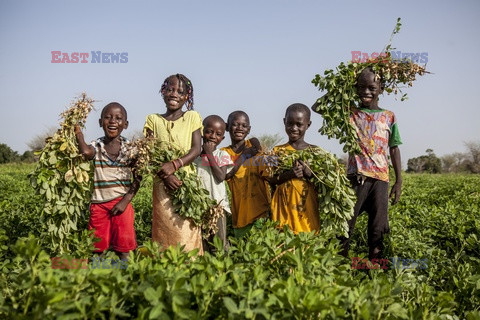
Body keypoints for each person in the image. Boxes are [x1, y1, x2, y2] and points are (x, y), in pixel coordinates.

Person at [312, 66, 402, 260]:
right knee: (345, 228)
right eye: (360, 87)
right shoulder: (350, 113)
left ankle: (375, 271)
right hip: (356, 179)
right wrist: (341, 85)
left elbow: (394, 148)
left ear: (381, 88)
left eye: (371, 87)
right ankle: (340, 268)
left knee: (378, 230)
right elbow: (317, 107)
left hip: (381, 180)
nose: (366, 92)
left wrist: (399, 182)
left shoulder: (389, 116)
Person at [143, 73, 204, 254]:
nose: (174, 94)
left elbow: (196, 149)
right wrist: (167, 175)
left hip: (185, 184)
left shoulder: (192, 117)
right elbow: (150, 153)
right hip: (162, 185)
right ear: (163, 92)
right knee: (163, 234)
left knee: (187, 234)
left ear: (187, 97)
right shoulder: (153, 120)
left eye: (180, 91)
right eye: (169, 89)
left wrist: (175, 164)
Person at [74, 102, 140, 260]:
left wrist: (125, 201)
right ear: (100, 122)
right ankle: (99, 278)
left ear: (125, 124)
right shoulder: (96, 146)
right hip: (98, 204)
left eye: (118, 118)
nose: (112, 121)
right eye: (107, 117)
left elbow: (138, 177)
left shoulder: (130, 149)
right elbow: (85, 152)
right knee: (97, 248)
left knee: (124, 248)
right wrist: (78, 133)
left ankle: (126, 279)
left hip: (122, 203)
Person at [268, 103, 321, 233]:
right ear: (284, 122)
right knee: (284, 242)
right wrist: (289, 174)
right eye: (290, 123)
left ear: (308, 124)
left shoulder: (316, 152)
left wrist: (309, 174)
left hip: (307, 208)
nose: (294, 128)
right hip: (284, 207)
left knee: (307, 243)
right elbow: (270, 179)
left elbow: (324, 184)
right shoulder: (277, 151)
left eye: (299, 124)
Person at [221, 111, 271, 238]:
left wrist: (253, 146)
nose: (239, 128)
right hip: (240, 217)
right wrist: (244, 156)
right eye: (235, 124)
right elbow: (227, 175)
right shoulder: (223, 153)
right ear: (227, 127)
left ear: (249, 130)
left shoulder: (255, 148)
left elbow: (268, 169)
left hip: (260, 214)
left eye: (244, 126)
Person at [194, 115, 234, 252]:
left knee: (219, 245)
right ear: (201, 132)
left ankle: (224, 270)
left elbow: (220, 177)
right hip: (200, 209)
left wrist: (209, 154)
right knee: (203, 245)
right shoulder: (194, 157)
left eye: (218, 134)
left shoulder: (222, 155)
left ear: (222, 139)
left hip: (217, 208)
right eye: (209, 131)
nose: (212, 136)